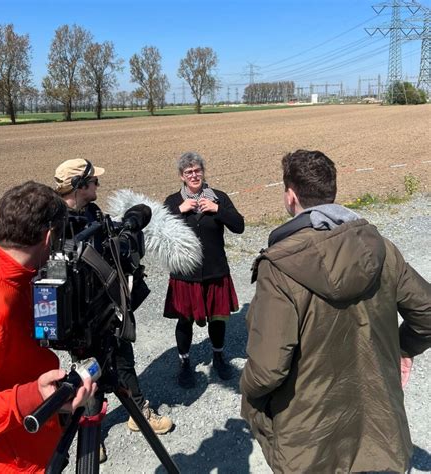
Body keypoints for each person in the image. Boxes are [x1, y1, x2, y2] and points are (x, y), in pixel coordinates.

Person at [240, 149, 431, 473]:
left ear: (290, 197)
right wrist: (399, 349)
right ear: (333, 193)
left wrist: (246, 388)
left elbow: (267, 370)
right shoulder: (381, 249)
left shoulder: (279, 267)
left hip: (310, 446)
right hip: (380, 435)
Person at [0, 181, 96, 473]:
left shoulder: (20, 280)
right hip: (10, 465)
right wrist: (33, 396)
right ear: (49, 237)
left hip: (34, 447)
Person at [54, 159, 173, 446]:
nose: (98, 184)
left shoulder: (92, 212)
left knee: (123, 356)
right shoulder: (56, 225)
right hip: (80, 317)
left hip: (107, 307)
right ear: (79, 186)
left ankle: (139, 412)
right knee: (88, 371)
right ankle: (91, 436)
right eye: (93, 181)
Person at [163, 152, 245, 388]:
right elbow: (158, 233)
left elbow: (239, 226)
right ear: (181, 176)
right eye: (188, 172)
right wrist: (180, 210)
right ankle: (184, 363)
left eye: (197, 170)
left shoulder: (218, 197)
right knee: (184, 321)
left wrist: (216, 210)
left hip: (215, 270)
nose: (194, 175)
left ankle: (218, 357)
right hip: (184, 274)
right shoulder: (172, 201)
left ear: (203, 172)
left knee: (218, 319)